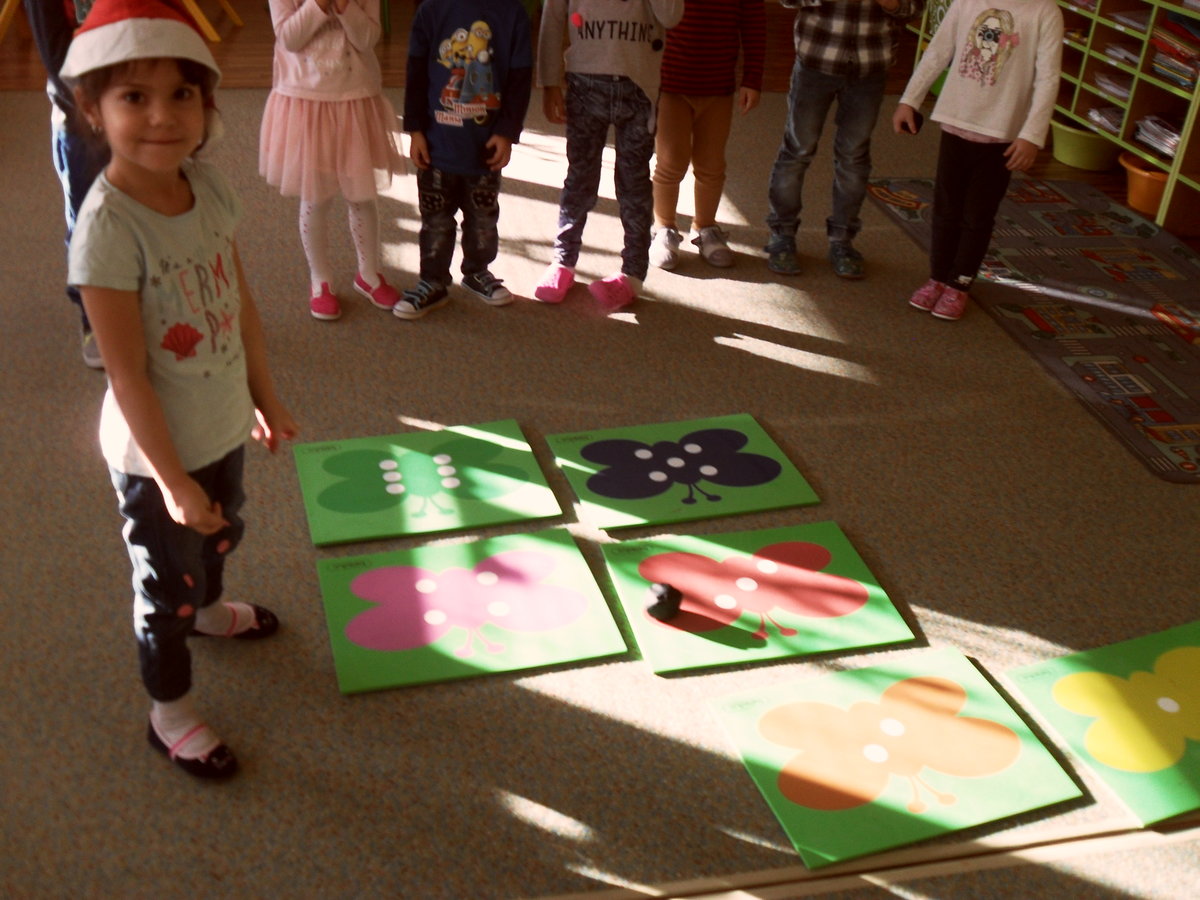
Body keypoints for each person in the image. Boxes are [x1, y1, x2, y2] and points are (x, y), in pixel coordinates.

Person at [62, 0, 299, 778]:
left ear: (205, 103)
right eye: (134, 96)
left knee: (222, 534)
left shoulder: (210, 188)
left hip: (220, 422)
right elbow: (126, 373)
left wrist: (263, 397)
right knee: (167, 585)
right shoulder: (107, 230)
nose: (163, 116)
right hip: (155, 455)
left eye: (181, 94)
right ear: (92, 109)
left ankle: (209, 610)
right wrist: (169, 482)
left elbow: (241, 304)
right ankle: (168, 712)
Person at [893, 0, 1063, 320]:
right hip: (956, 122)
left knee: (978, 214)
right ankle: (938, 277)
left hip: (1000, 134)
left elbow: (1048, 77)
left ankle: (959, 283)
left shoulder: (1045, 12)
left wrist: (1031, 134)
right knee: (946, 207)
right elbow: (938, 51)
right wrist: (909, 100)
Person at [534, 0, 685, 311]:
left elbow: (671, 16)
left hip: (639, 87)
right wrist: (549, 82)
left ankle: (633, 274)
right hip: (584, 83)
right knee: (580, 178)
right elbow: (552, 17)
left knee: (634, 183)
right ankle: (563, 261)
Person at [259, 0, 405, 321]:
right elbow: (289, 38)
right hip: (306, 102)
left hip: (355, 99)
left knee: (362, 196)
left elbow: (367, 39)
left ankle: (369, 273)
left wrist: (344, 7)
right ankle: (320, 280)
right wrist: (318, 5)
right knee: (316, 197)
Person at [764, 0, 920, 280]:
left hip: (870, 69)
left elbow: (915, 8)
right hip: (816, 62)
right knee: (797, 150)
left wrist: (892, 3)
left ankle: (842, 240)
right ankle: (782, 234)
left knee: (853, 156)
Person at [400, 0, 534, 319]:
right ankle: (432, 281)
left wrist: (507, 132)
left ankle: (477, 271)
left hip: (484, 148)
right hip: (436, 146)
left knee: (483, 218)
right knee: (436, 220)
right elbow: (416, 72)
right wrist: (415, 129)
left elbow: (520, 79)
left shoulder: (512, 13)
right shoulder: (432, 10)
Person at [649, 0, 766, 271]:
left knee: (711, 164)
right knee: (670, 162)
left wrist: (752, 78)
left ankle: (705, 227)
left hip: (717, 86)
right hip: (670, 84)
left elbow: (754, 25)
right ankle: (664, 227)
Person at [24, 0, 109, 368]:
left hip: (136, 99)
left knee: (148, 205)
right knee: (90, 218)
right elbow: (55, 53)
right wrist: (94, 110)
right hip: (79, 117)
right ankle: (95, 316)